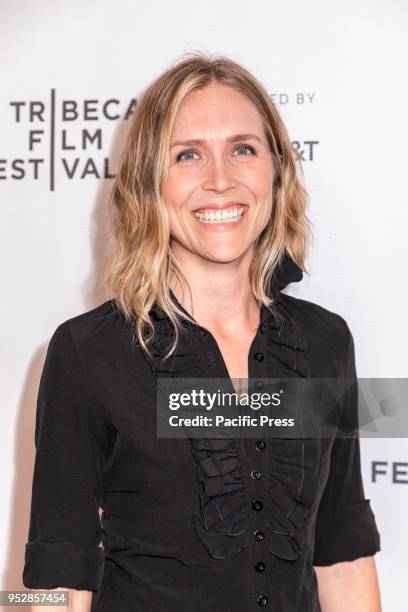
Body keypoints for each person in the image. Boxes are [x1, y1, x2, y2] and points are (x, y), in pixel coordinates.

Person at [22, 52, 382, 611]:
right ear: (149, 183)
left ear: (276, 169)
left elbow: (343, 553)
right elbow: (56, 580)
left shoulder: (325, 343)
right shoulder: (87, 354)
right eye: (188, 155)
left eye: (243, 149)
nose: (221, 180)